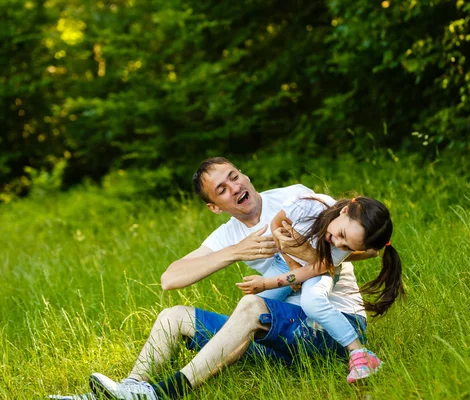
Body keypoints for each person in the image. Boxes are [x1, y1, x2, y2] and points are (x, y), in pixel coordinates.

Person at [48, 157, 389, 400]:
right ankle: (132, 387)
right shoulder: (227, 236)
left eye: (234, 177)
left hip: (331, 326)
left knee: (252, 305)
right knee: (173, 317)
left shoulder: (295, 198)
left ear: (245, 175)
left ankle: (165, 393)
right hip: (281, 336)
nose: (234, 188)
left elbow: (365, 246)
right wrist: (236, 251)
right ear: (214, 206)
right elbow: (170, 278)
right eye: (222, 189)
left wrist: (304, 254)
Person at [236, 194, 404, 382]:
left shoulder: (342, 246)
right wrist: (292, 265)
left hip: (318, 268)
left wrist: (267, 283)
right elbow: (277, 226)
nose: (338, 243)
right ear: (345, 210)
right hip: (289, 263)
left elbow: (313, 269)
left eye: (347, 245)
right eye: (341, 235)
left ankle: (359, 352)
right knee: (248, 310)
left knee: (312, 302)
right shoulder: (306, 206)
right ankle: (236, 353)